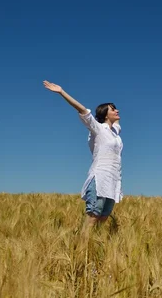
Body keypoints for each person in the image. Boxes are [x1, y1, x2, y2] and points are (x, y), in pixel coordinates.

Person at [43, 80, 123, 242]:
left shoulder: (115, 132)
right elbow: (82, 110)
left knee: (103, 220)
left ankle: (95, 255)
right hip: (100, 178)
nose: (117, 110)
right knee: (93, 217)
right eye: (113, 109)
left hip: (113, 181)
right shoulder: (98, 128)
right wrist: (61, 91)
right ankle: (81, 254)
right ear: (104, 114)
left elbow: (117, 123)